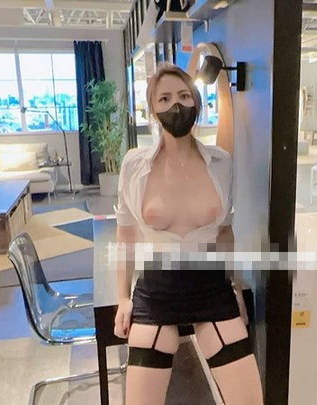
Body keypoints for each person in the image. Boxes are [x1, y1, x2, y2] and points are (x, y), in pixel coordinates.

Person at [113, 64, 264, 405]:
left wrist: (236, 287)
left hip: (211, 287)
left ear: (196, 101)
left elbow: (225, 233)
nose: (176, 106)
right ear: (153, 110)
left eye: (183, 96)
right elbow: (125, 237)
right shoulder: (135, 165)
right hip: (156, 290)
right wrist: (123, 297)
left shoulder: (221, 163)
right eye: (164, 98)